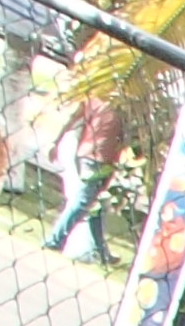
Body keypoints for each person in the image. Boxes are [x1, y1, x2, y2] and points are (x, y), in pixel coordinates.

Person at [42, 94, 127, 262]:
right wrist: (55, 143)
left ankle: (100, 250)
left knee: (96, 205)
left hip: (104, 159)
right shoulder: (99, 101)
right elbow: (72, 120)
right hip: (93, 157)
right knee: (82, 201)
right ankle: (54, 240)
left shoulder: (120, 106)